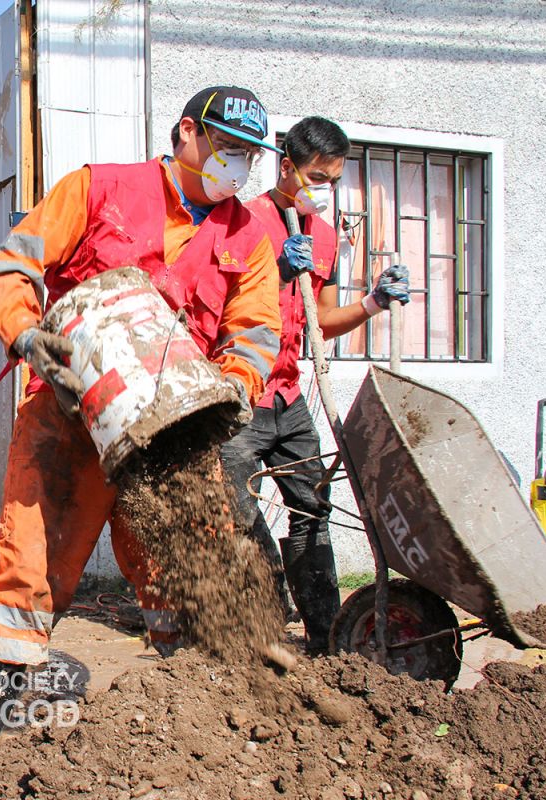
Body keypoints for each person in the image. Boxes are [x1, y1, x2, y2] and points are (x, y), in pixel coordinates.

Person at [0, 86, 286, 754]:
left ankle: (201, 722)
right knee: (34, 557)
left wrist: (234, 384)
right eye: (228, 150)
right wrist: (26, 335)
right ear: (186, 133)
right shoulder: (98, 188)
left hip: (171, 436)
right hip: (72, 415)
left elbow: (254, 331)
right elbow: (12, 263)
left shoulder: (250, 235)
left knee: (189, 569)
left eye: (249, 158)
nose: (238, 168)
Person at [223, 116, 411, 651]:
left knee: (313, 512)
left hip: (288, 395)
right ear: (287, 167)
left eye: (334, 178)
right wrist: (276, 272)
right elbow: (214, 308)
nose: (325, 188)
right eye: (317, 176)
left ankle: (328, 640)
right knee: (233, 513)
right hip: (241, 396)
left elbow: (321, 318)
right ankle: (261, 620)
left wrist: (372, 302)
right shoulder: (243, 221)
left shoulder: (322, 234)